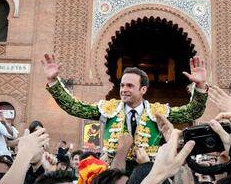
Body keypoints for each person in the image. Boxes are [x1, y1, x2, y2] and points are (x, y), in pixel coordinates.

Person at [42, 54, 208, 164]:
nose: (123, 89)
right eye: (122, 85)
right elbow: (74, 107)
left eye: (129, 85)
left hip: (147, 175)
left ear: (143, 90)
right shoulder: (109, 108)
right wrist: (54, 82)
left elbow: (192, 112)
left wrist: (200, 86)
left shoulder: (156, 112)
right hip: (113, 175)